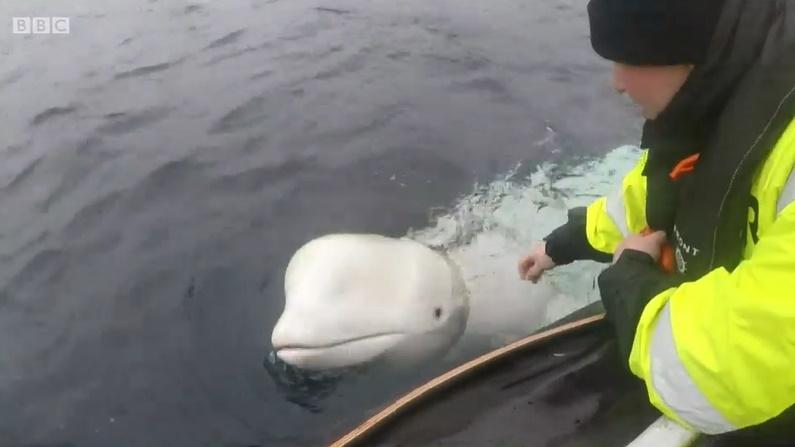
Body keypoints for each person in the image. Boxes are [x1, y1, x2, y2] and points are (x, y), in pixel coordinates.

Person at [518, 0, 795, 442]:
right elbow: (664, 191)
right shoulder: (726, 98)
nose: (616, 83)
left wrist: (629, 283)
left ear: (686, 51)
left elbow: (719, 372)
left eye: (629, 59)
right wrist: (561, 245)